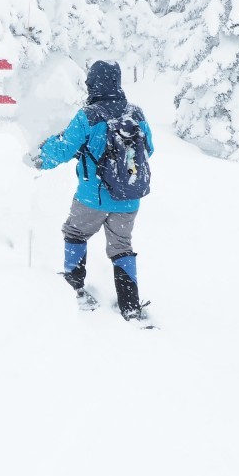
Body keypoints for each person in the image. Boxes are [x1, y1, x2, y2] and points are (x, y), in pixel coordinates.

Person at [27, 60, 154, 321]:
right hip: (129, 198)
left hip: (92, 198)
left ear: (94, 83)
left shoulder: (89, 115)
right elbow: (148, 149)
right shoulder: (137, 113)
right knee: (121, 246)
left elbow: (62, 148)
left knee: (75, 232)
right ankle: (130, 307)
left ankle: (75, 287)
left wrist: (38, 156)